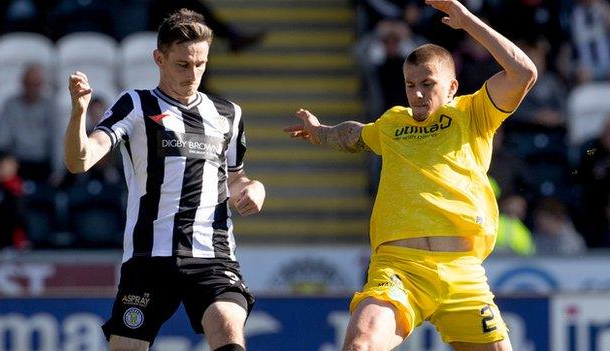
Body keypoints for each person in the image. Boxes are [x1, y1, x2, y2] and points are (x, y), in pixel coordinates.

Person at [284, 1, 537, 350]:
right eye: (410, 84)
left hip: (461, 271)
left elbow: (523, 73)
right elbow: (356, 134)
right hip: (398, 269)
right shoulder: (393, 122)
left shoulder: (474, 112)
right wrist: (322, 132)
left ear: (452, 87)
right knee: (360, 344)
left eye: (427, 84)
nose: (417, 94)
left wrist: (467, 22)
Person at [64, 9, 265, 351]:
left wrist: (254, 189)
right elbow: (79, 161)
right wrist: (79, 112)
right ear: (159, 58)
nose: (193, 73)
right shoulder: (136, 105)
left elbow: (236, 177)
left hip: (212, 256)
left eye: (200, 64)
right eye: (183, 64)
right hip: (149, 257)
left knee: (228, 330)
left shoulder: (228, 113)